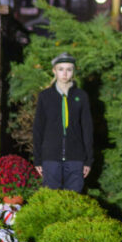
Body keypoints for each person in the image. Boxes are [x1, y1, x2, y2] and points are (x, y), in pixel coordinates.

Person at [33, 52, 93, 192]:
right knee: (51, 201)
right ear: (54, 70)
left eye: (69, 69)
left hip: (75, 159)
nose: (65, 73)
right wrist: (38, 159)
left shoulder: (81, 96)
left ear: (73, 71)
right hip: (51, 158)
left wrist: (88, 161)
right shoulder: (45, 96)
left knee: (73, 201)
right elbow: (38, 129)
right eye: (61, 69)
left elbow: (87, 129)